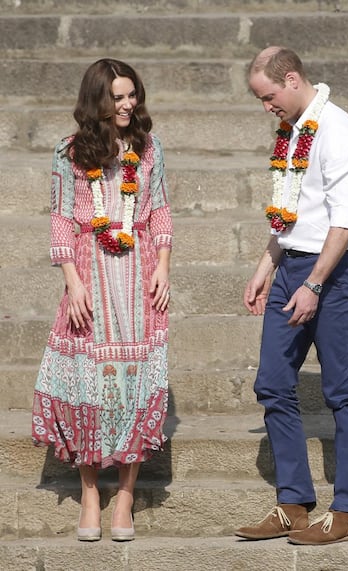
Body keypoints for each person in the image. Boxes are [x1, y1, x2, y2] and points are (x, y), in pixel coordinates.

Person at [32, 58, 173, 542]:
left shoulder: (149, 147)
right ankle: (91, 494)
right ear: (98, 100)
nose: (128, 104)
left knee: (134, 387)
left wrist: (163, 266)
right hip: (90, 274)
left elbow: (159, 212)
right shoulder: (69, 151)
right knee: (86, 383)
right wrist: (72, 281)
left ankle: (127, 497)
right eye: (117, 96)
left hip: (139, 277)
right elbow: (61, 219)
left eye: (132, 94)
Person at [235, 47, 348, 545]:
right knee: (271, 383)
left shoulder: (336, 130)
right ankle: (293, 503)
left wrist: (314, 283)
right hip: (290, 267)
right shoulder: (291, 133)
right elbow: (290, 210)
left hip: (331, 275)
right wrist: (265, 265)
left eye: (268, 96)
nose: (265, 107)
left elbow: (344, 218)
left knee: (342, 393)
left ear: (291, 80)